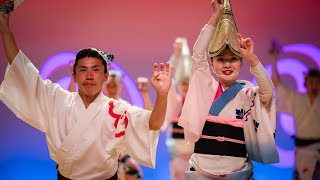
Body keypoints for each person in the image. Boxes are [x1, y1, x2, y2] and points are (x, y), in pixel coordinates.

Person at [0, 12, 173, 179]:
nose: (89, 75)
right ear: (74, 76)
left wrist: (162, 95)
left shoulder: (116, 109)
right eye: (83, 70)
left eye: (96, 70)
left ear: (105, 76)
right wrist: (5, 29)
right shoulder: (57, 99)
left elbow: (153, 123)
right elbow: (22, 70)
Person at [178, 0, 279, 179]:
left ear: (241, 62)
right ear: (212, 63)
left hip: (238, 173)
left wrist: (252, 58)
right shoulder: (205, 88)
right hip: (201, 171)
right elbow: (198, 54)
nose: (227, 64)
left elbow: (268, 92)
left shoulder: (248, 94)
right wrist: (215, 16)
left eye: (233, 59)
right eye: (221, 59)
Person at [270, 44, 320, 180]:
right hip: (302, 149)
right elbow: (278, 84)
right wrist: (274, 58)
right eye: (311, 82)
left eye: (317, 82)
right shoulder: (297, 99)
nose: (314, 85)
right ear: (306, 83)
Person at [161, 37, 194, 180]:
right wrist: (175, 54)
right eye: (182, 83)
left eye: (188, 83)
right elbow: (167, 77)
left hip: (195, 150)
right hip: (176, 148)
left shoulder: (199, 103)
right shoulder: (175, 102)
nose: (185, 86)